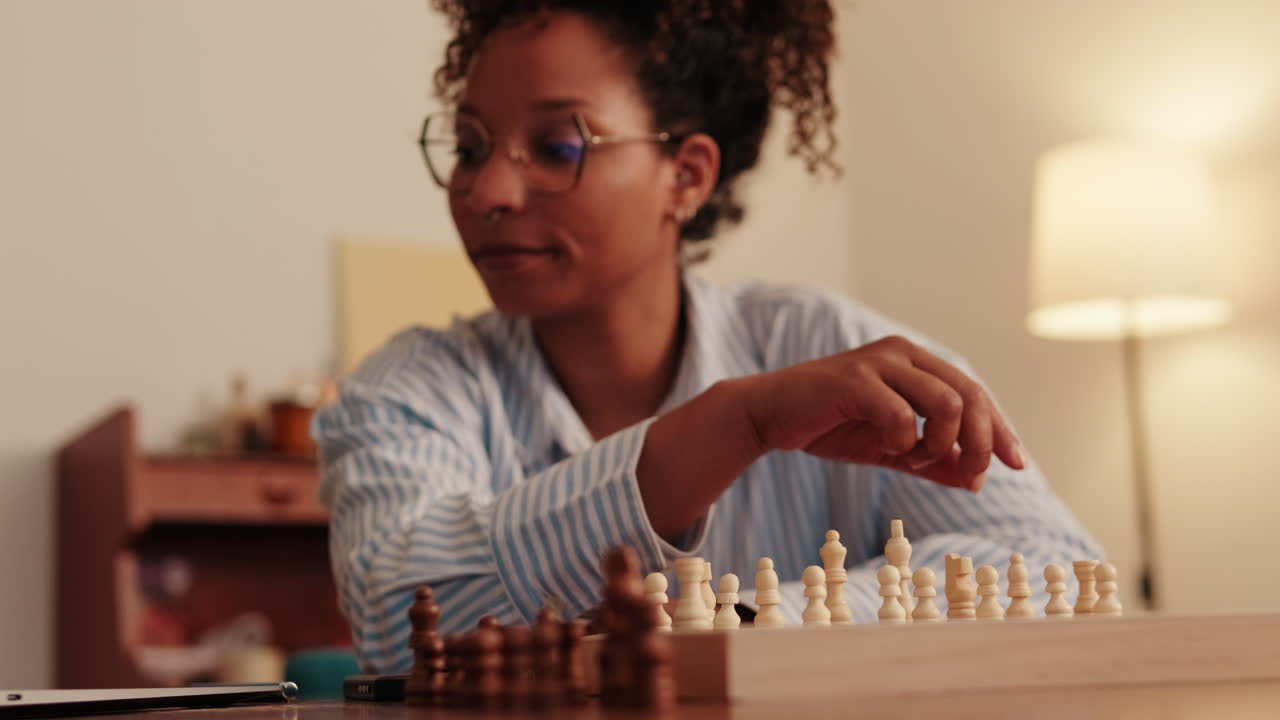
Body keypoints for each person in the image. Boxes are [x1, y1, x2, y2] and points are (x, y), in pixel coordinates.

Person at [314, 0, 1101, 672]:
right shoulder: (407, 391)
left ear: (686, 176)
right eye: (469, 148)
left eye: (557, 147)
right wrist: (730, 427)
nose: (487, 191)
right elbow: (398, 626)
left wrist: (743, 627)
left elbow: (1058, 570)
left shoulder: (822, 342)